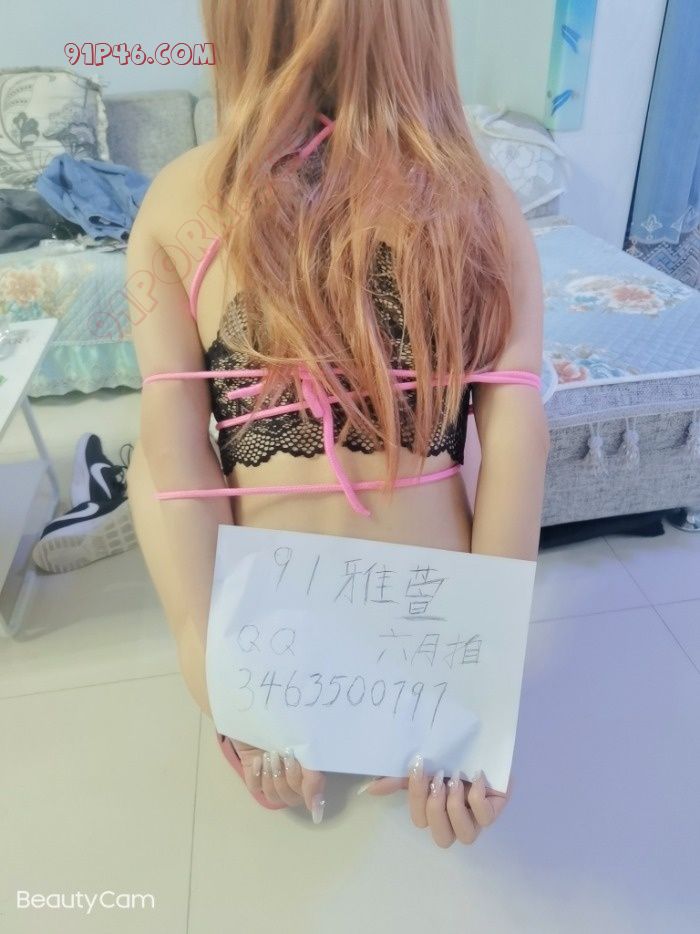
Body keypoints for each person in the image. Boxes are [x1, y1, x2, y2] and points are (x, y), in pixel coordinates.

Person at [125, 0, 550, 849]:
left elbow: (174, 462)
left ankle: (244, 693)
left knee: (155, 445)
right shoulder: (480, 197)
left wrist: (216, 672)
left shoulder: (178, 198)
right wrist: (480, 694)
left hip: (276, 643)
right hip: (431, 637)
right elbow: (517, 440)